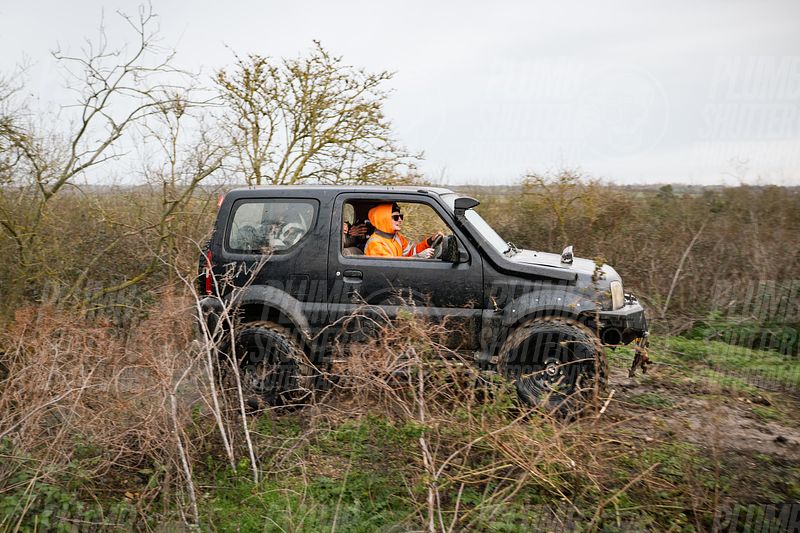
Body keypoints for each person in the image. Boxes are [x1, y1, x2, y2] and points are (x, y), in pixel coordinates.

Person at [364, 203, 442, 259]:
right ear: (384, 219)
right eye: (396, 217)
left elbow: (411, 252)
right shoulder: (375, 244)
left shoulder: (397, 237)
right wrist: (419, 257)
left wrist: (429, 241)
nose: (400, 220)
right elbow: (391, 268)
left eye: (401, 216)